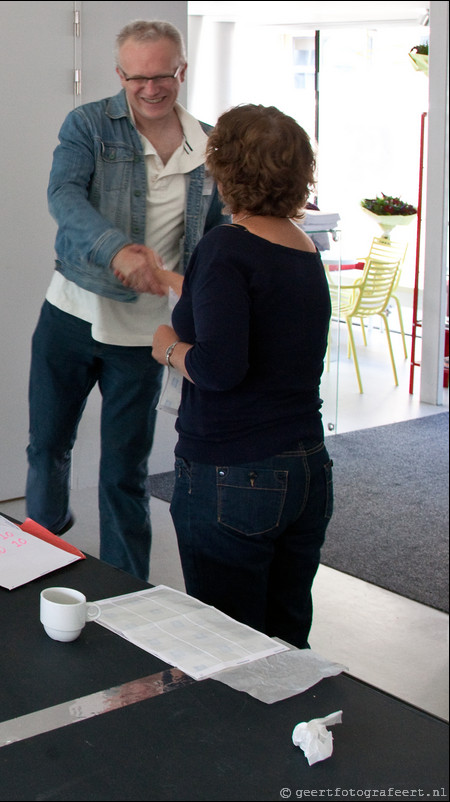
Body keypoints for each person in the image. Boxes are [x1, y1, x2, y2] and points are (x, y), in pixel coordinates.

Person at [25, 20, 226, 580]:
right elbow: (63, 195)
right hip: (70, 314)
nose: (150, 88)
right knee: (48, 448)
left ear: (181, 70)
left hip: (146, 336)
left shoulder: (210, 146)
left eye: (162, 75)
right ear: (120, 74)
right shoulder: (88, 123)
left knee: (124, 473)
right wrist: (116, 250)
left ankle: (127, 595)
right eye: (137, 77)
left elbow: (216, 232)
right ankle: (38, 561)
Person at [151, 105, 332, 648]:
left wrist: (169, 347)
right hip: (304, 468)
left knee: (229, 646)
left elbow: (218, 368)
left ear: (224, 168)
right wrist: (171, 278)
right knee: (285, 641)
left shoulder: (226, 247)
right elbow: (253, 307)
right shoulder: (302, 247)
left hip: (234, 474)